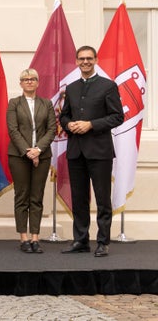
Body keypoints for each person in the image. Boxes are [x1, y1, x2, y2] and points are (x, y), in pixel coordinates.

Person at [60, 46, 124, 258]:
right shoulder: (71, 88)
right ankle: (81, 240)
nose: (85, 62)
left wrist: (91, 124)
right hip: (76, 151)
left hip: (100, 151)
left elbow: (117, 116)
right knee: (79, 199)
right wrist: (69, 124)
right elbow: (64, 116)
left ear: (96, 60)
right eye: (81, 59)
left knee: (102, 199)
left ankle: (103, 242)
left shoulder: (108, 86)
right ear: (76, 61)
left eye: (89, 58)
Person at [6, 68, 56, 254]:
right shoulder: (14, 103)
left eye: (33, 79)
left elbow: (52, 129)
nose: (29, 81)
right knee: (22, 196)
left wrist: (38, 150)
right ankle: (24, 237)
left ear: (38, 82)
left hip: (42, 156)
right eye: (25, 79)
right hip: (19, 156)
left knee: (37, 196)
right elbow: (13, 130)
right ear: (21, 83)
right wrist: (29, 152)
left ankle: (35, 237)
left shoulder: (47, 103)